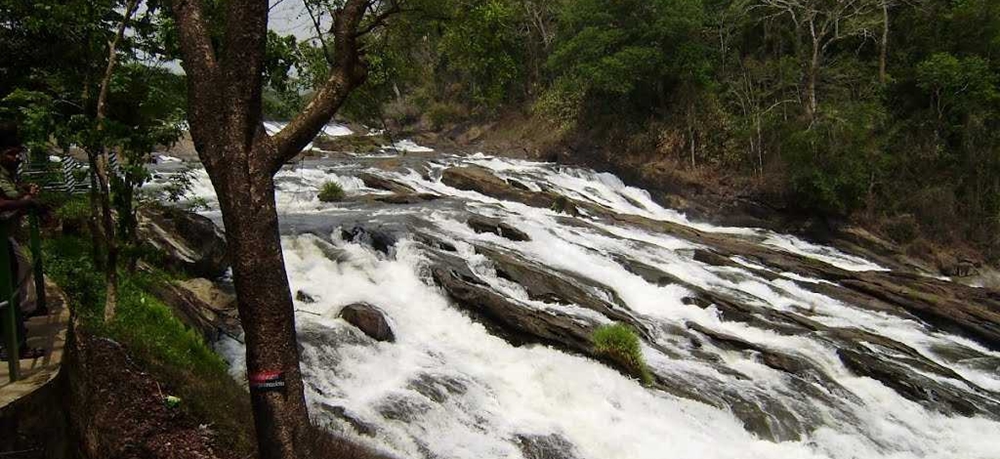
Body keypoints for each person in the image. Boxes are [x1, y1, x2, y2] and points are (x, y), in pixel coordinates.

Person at [0, 121, 45, 361]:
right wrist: (25, 202)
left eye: (18, 153)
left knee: (20, 273)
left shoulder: (7, 172)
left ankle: (15, 331)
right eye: (11, 153)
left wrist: (24, 192)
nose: (16, 158)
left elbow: (9, 192)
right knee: (8, 288)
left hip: (5, 236)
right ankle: (11, 343)